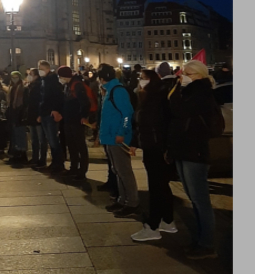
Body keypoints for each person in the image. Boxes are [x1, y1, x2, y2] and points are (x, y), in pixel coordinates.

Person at [165, 60, 220, 259]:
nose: (183, 76)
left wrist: (180, 89)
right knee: (193, 197)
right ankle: (199, 240)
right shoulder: (187, 90)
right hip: (183, 149)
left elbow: (180, 110)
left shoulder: (201, 92)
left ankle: (207, 244)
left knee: (200, 199)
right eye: (183, 73)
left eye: (189, 73)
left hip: (194, 151)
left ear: (199, 75)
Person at [130, 64, 177, 242]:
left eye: (142, 77)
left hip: (156, 147)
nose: (140, 80)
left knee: (156, 187)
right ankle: (168, 220)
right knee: (162, 185)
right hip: (156, 145)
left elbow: (150, 123)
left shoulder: (154, 98)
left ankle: (153, 225)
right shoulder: (153, 96)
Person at [98, 63, 140, 218]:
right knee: (117, 170)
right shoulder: (110, 90)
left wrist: (122, 131)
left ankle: (132, 202)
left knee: (124, 171)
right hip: (110, 136)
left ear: (102, 78)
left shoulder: (117, 91)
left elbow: (127, 114)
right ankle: (123, 199)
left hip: (117, 137)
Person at [60, 66, 91, 180]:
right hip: (69, 119)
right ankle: (74, 168)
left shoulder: (76, 85)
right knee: (72, 145)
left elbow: (84, 102)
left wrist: (83, 116)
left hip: (76, 120)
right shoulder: (68, 85)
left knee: (80, 146)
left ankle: (82, 171)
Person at [37, 60, 65, 173]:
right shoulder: (45, 80)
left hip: (50, 114)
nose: (40, 71)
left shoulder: (52, 81)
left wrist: (55, 110)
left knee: (53, 140)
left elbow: (56, 97)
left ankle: (58, 163)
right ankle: (55, 162)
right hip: (45, 113)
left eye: (41, 69)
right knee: (51, 139)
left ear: (47, 69)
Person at [24, 67, 47, 168]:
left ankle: (42, 159)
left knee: (41, 139)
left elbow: (40, 101)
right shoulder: (31, 85)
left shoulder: (39, 85)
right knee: (34, 139)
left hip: (37, 115)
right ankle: (35, 158)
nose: (29, 76)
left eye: (31, 74)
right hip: (32, 115)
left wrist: (40, 114)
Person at [6, 71, 29, 164]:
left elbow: (25, 102)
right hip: (13, 113)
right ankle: (16, 152)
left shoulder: (23, 87)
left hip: (20, 113)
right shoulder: (11, 87)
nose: (14, 79)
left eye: (16, 77)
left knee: (20, 133)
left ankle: (22, 152)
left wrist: (22, 113)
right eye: (13, 77)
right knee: (14, 134)